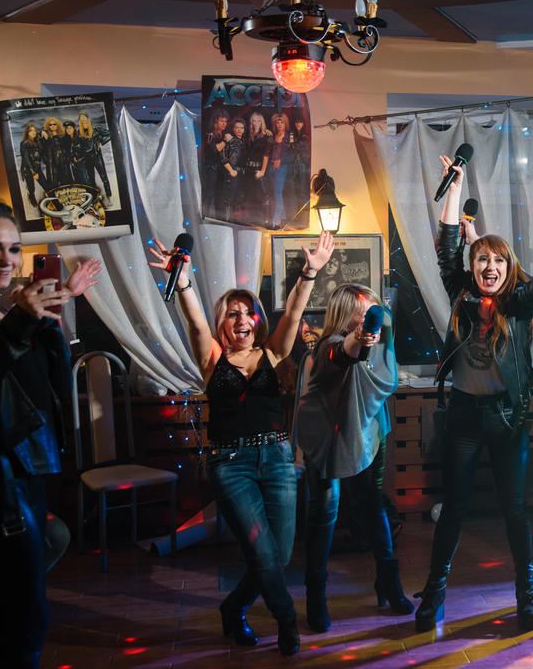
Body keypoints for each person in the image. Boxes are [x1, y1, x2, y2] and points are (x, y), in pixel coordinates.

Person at [147, 230, 335, 656]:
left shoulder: (272, 353)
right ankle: (286, 620)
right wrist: (184, 281)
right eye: (232, 314)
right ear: (223, 323)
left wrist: (310, 273)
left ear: (257, 320)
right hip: (231, 464)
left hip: (278, 459)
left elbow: (294, 314)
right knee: (262, 553)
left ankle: (233, 607)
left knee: (279, 555)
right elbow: (196, 321)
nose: (242, 320)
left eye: (248, 312)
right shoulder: (212, 359)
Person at [414, 157, 533, 632]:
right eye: (483, 258)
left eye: (499, 260)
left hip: (507, 418)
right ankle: (434, 593)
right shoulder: (461, 294)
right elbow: (446, 247)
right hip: (463, 416)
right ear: (474, 265)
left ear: (509, 269)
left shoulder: (518, 304)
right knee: (454, 509)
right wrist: (454, 188)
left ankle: (526, 593)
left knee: (514, 510)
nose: (490, 266)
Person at [0, 199, 100, 668]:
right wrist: (22, 321)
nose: (6, 260)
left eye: (13, 249)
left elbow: (51, 383)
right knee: (27, 614)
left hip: (27, 471)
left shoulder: (0, 314)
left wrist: (47, 315)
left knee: (2, 610)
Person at [296, 283, 412, 633]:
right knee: (324, 512)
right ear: (344, 317)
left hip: (369, 433)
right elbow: (343, 352)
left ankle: (388, 582)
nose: (369, 323)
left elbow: (381, 358)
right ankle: (316, 595)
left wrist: (372, 330)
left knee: (372, 505)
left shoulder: (380, 348)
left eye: (372, 313)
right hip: (326, 438)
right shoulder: (326, 348)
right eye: (361, 315)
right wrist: (358, 338)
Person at [242, 112, 273, 227]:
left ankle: (266, 220)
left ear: (262, 123)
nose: (256, 123)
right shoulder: (247, 135)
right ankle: (246, 220)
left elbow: (266, 155)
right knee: (246, 195)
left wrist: (262, 171)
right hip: (247, 169)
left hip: (258, 169)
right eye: (254, 121)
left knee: (263, 196)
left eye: (258, 121)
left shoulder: (267, 136)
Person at [77, 112, 113, 207]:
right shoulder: (79, 132)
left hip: (97, 157)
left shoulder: (96, 128)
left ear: (87, 117)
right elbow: (79, 146)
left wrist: (101, 142)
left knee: (104, 177)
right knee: (91, 179)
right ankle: (94, 197)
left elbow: (110, 134)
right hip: (87, 158)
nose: (83, 118)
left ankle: (109, 196)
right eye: (81, 117)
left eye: (84, 116)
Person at [215, 118, 245, 222]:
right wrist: (231, 170)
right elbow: (222, 157)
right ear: (233, 128)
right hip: (231, 172)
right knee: (228, 197)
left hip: (241, 173)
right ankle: (226, 220)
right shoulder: (229, 140)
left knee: (239, 197)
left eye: (242, 128)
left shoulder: (244, 141)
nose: (239, 130)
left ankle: (236, 220)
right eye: (237, 127)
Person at [202, 109, 230, 218]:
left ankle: (219, 219)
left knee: (220, 195)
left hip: (221, 169)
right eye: (222, 121)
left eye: (225, 121)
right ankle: (204, 217)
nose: (224, 123)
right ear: (215, 121)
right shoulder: (210, 135)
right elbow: (214, 150)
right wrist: (225, 141)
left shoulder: (223, 135)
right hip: (212, 168)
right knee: (209, 194)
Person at [268, 113, 291, 228]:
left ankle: (275, 222)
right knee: (276, 194)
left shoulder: (289, 136)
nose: (280, 124)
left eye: (282, 122)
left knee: (278, 194)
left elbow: (293, 155)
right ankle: (283, 219)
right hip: (271, 167)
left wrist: (280, 161)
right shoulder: (273, 136)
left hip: (281, 167)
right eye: (278, 122)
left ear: (285, 123)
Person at [19, 124, 46, 208]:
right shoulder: (24, 143)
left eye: (35, 131)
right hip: (28, 169)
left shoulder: (36, 142)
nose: (33, 132)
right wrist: (34, 172)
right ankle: (32, 201)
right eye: (31, 131)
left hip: (37, 167)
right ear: (27, 132)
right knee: (31, 188)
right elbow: (26, 158)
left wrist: (42, 133)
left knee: (45, 185)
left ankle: (50, 200)